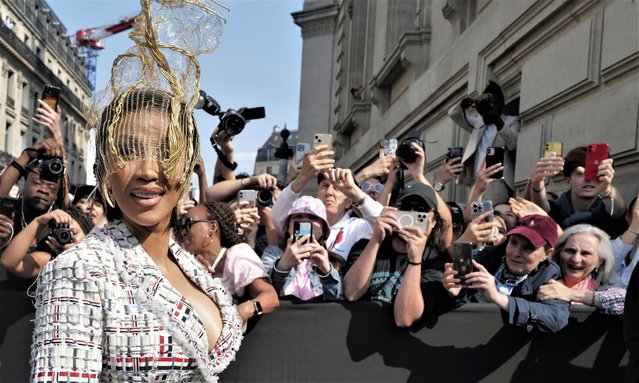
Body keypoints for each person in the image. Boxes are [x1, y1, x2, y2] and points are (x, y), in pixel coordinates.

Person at [30, 2, 241, 381]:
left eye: (166, 152)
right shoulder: (79, 270)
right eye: (127, 150)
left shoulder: (190, 266)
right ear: (106, 167)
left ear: (188, 164)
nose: (147, 171)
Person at [344, 183, 454, 327]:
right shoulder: (365, 246)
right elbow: (352, 293)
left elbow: (404, 318)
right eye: (405, 209)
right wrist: (376, 239)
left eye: (420, 212)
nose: (411, 216)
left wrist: (415, 260)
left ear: (433, 221)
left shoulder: (436, 261)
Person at [443, 214, 570, 333]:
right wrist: (453, 293)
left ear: (547, 254)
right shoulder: (481, 259)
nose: (515, 253)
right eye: (513, 242)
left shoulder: (549, 274)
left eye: (528, 248)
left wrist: (498, 298)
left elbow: (556, 317)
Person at [179, 201, 279, 325]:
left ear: (212, 227)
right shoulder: (182, 261)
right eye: (181, 226)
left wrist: (245, 309)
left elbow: (270, 297)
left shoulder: (237, 256)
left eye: (189, 224)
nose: (183, 232)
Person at [527, 146, 627, 238]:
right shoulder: (558, 209)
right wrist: (538, 181)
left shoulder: (607, 208)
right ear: (568, 180)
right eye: (580, 174)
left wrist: (607, 190)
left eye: (593, 173)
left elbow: (618, 210)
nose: (588, 179)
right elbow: (541, 209)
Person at [447, 81, 520, 200]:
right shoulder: (479, 123)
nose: (491, 106)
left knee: (491, 217)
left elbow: (513, 143)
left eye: (494, 103)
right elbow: (454, 114)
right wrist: (469, 101)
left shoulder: (511, 121)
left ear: (501, 105)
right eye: (488, 103)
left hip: (497, 182)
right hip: (476, 182)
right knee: (473, 217)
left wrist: (497, 119)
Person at [262, 196, 342, 301]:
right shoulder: (272, 253)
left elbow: (337, 302)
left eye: (312, 217)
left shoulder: (335, 262)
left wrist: (326, 272)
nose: (304, 221)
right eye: (298, 216)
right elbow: (264, 293)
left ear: (323, 229)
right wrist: (282, 267)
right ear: (288, 226)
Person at [537, 224, 626, 316]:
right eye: (570, 251)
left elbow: (629, 302)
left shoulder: (603, 287)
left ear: (599, 261)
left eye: (585, 253)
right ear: (558, 253)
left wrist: (571, 294)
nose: (576, 259)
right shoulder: (540, 280)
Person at [0, 206, 92, 279]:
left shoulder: (97, 257)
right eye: (61, 232)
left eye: (73, 232)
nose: (67, 236)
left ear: (87, 234)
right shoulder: (50, 260)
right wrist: (38, 222)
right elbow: (8, 262)